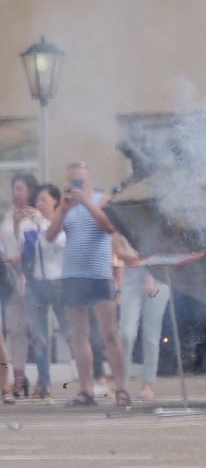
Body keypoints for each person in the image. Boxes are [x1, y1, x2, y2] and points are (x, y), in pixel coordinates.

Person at [45, 162, 128, 407]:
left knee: (109, 334)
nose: (76, 185)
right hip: (72, 276)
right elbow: (50, 236)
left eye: (80, 181)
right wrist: (62, 209)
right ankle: (86, 390)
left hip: (99, 275)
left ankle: (121, 388)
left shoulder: (103, 200)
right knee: (79, 336)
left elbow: (109, 227)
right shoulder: (66, 207)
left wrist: (87, 202)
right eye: (73, 181)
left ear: (89, 179)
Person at [0, 172, 42, 399]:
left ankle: (42, 380)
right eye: (14, 188)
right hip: (10, 278)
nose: (16, 193)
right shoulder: (8, 216)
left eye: (20, 189)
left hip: (30, 277)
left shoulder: (35, 215)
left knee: (36, 328)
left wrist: (21, 258)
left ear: (30, 191)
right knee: (16, 329)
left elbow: (38, 243)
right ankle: (18, 377)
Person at [116, 243, 172, 402]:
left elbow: (165, 247)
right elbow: (119, 251)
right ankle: (121, 385)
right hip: (130, 278)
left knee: (151, 334)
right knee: (126, 334)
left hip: (157, 284)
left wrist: (151, 274)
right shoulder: (122, 222)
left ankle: (148, 383)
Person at [20, 183, 60, 399]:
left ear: (55, 200)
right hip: (36, 285)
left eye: (44, 199)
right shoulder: (30, 224)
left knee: (73, 334)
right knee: (39, 337)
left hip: (60, 285)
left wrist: (41, 224)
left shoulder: (63, 222)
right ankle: (45, 384)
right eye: (37, 200)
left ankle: (89, 380)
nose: (39, 204)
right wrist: (21, 226)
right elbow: (22, 249)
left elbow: (53, 239)